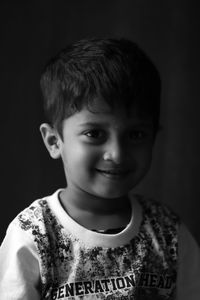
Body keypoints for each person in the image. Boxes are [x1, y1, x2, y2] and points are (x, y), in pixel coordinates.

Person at [0, 38, 200, 300]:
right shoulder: (34, 234)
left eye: (136, 134)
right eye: (94, 133)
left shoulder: (168, 234)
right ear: (54, 141)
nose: (116, 154)